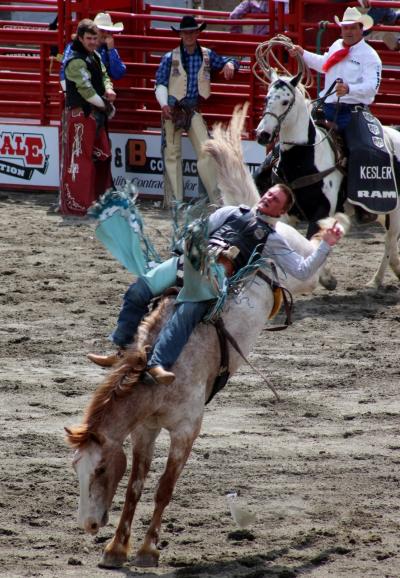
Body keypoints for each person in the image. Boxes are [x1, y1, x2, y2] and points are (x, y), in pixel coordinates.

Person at [88, 184, 343, 385]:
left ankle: (157, 363)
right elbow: (201, 228)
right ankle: (122, 348)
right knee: (138, 291)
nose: (267, 199)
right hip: (187, 262)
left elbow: (303, 269)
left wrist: (326, 245)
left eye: (275, 200)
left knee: (187, 312)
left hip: (212, 280)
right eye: (268, 194)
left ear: (281, 212)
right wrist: (186, 240)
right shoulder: (230, 211)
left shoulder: (273, 239)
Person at [154, 15, 240, 205]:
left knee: (206, 150)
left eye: (192, 32)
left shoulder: (207, 55)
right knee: (172, 153)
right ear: (181, 34)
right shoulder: (170, 58)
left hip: (192, 108)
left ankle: (216, 199)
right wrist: (164, 105)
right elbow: (160, 83)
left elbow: (231, 60)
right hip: (173, 108)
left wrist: (230, 64)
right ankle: (176, 202)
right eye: (186, 32)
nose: (189, 35)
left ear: (197, 32)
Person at [289, 6, 381, 132]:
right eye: (345, 28)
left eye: (353, 28)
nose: (348, 32)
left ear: (361, 29)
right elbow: (324, 64)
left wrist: (349, 89)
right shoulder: (336, 45)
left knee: (362, 149)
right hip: (327, 107)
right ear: (341, 30)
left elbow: (372, 87)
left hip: (352, 112)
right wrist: (303, 53)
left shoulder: (370, 56)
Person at [60, 19, 115, 216]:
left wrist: (108, 89)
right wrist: (105, 105)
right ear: (81, 38)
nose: (93, 42)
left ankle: (98, 200)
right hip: (81, 114)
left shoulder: (95, 56)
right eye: (89, 38)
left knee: (103, 156)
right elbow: (85, 90)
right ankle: (80, 204)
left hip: (92, 114)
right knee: (80, 160)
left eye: (95, 38)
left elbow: (104, 75)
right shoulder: (75, 60)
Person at [60, 12, 126, 90]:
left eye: (108, 32)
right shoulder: (73, 46)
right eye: (102, 31)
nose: (106, 34)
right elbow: (65, 68)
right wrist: (67, 91)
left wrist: (111, 50)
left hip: (98, 91)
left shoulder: (108, 50)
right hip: (78, 91)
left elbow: (118, 74)